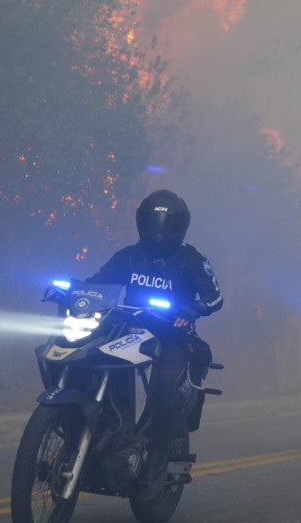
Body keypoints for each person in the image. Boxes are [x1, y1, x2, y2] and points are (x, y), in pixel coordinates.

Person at [84, 189, 223, 500]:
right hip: (122, 333)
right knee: (86, 360)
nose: (159, 231)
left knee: (164, 386)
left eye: (167, 224)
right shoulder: (128, 255)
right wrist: (70, 291)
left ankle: (157, 458)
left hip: (171, 339)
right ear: (141, 222)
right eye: (153, 222)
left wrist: (191, 311)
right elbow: (98, 281)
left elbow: (215, 299)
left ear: (181, 226)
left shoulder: (192, 260)